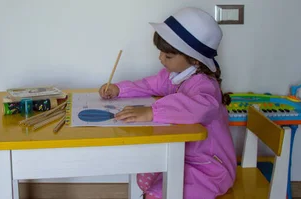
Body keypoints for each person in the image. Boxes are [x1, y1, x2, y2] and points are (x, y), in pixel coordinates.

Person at [98, 7, 236, 199]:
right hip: (182, 158)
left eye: (168, 56)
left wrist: (152, 112)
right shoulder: (175, 76)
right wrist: (119, 89)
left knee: (155, 193)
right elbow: (148, 85)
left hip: (210, 170)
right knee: (143, 172)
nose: (160, 58)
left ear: (195, 60)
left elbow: (199, 108)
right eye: (161, 53)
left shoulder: (205, 86)